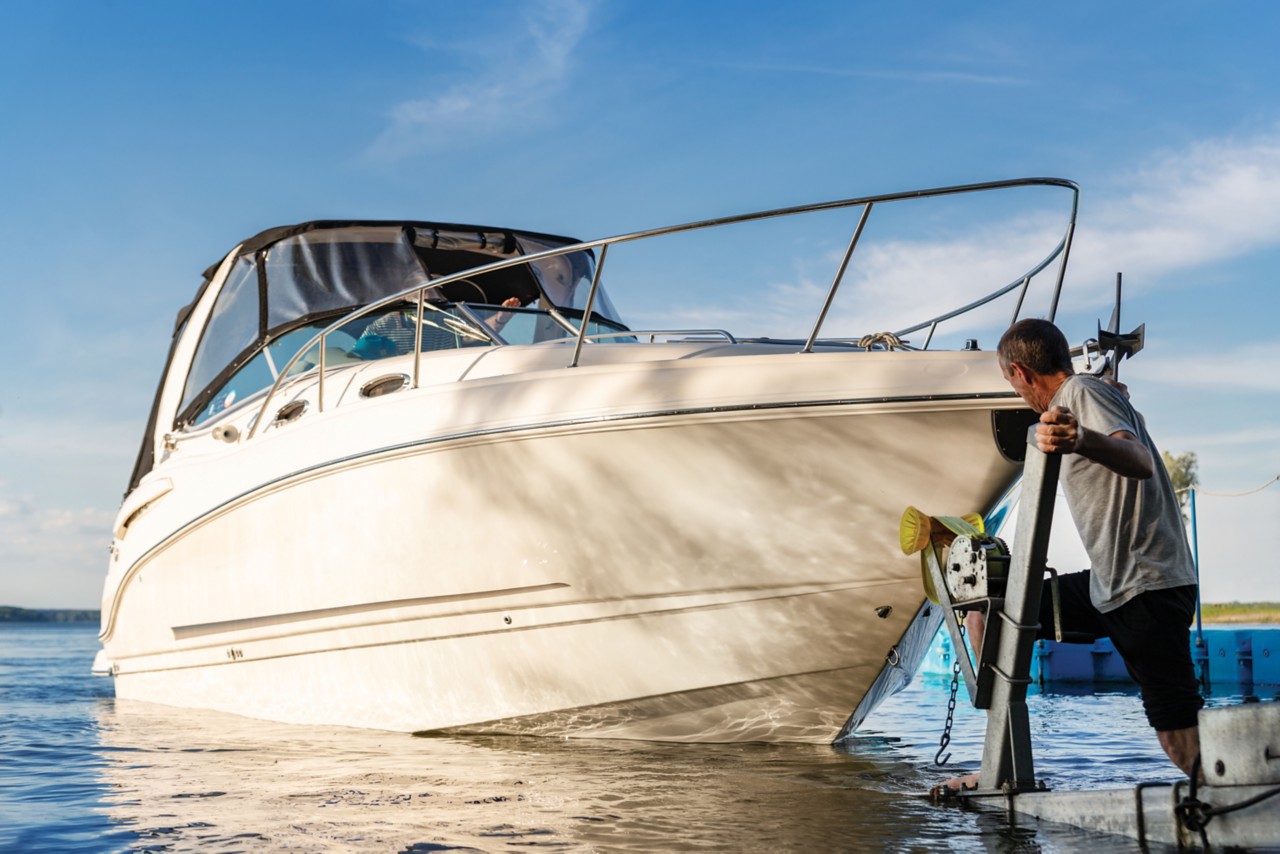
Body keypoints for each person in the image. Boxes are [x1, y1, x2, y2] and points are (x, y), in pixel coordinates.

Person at [945, 318, 1202, 790]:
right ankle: (999, 762)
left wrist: (1081, 437)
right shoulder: (1092, 396)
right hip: (1112, 583)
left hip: (1146, 583)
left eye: (1011, 384)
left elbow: (1139, 461)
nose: (1018, 394)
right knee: (989, 614)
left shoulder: (1079, 394)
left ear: (1021, 372)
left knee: (1178, 738)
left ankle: (1242, 801)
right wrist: (1099, 411)